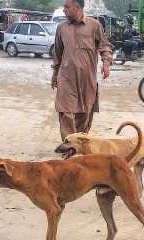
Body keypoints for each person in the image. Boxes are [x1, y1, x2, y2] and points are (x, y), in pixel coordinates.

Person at [52, 0, 112, 140]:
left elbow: (105, 47)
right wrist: (55, 75)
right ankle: (69, 146)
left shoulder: (94, 26)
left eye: (67, 7)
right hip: (66, 78)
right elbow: (57, 53)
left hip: (87, 79)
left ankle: (78, 144)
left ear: (77, 7)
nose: (64, 10)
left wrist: (106, 63)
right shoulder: (61, 28)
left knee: (84, 113)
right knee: (65, 111)